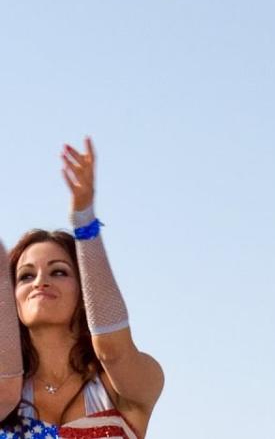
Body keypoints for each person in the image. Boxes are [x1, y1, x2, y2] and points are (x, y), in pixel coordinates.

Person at [0, 139, 164, 439]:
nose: (40, 281)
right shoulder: (6, 395)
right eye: (25, 276)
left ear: (85, 289)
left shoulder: (121, 386)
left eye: (59, 271)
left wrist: (84, 221)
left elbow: (112, 351)